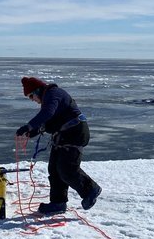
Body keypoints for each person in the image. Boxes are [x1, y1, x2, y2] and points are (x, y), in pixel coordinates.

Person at [16, 77, 101, 215]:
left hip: (75, 133)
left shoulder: (53, 94)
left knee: (67, 169)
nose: (32, 100)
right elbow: (50, 121)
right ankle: (58, 202)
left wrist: (29, 125)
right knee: (54, 169)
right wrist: (33, 131)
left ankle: (91, 190)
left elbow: (47, 113)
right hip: (63, 136)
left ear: (37, 90)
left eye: (31, 96)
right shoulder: (48, 97)